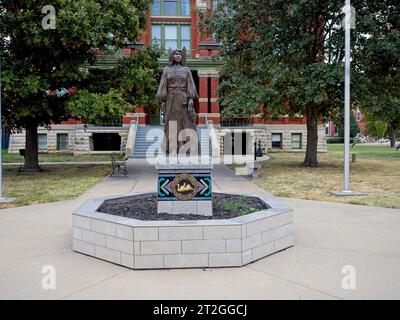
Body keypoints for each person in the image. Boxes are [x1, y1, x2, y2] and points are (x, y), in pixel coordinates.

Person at [156, 48, 199, 156]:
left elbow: (190, 85)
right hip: (170, 98)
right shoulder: (166, 70)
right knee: (170, 123)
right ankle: (171, 148)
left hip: (183, 98)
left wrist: (190, 98)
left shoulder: (186, 70)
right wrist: (163, 100)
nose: (178, 55)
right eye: (176, 53)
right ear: (172, 56)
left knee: (185, 121)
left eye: (180, 54)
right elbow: (163, 85)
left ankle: (187, 147)